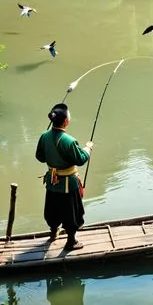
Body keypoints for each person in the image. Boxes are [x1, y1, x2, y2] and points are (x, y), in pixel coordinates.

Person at [36, 103, 93, 250]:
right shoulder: (69, 141)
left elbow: (40, 157)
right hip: (68, 183)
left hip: (51, 182)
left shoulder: (44, 136)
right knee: (71, 212)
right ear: (66, 121)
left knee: (52, 209)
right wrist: (88, 148)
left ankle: (53, 233)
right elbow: (81, 159)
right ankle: (71, 242)